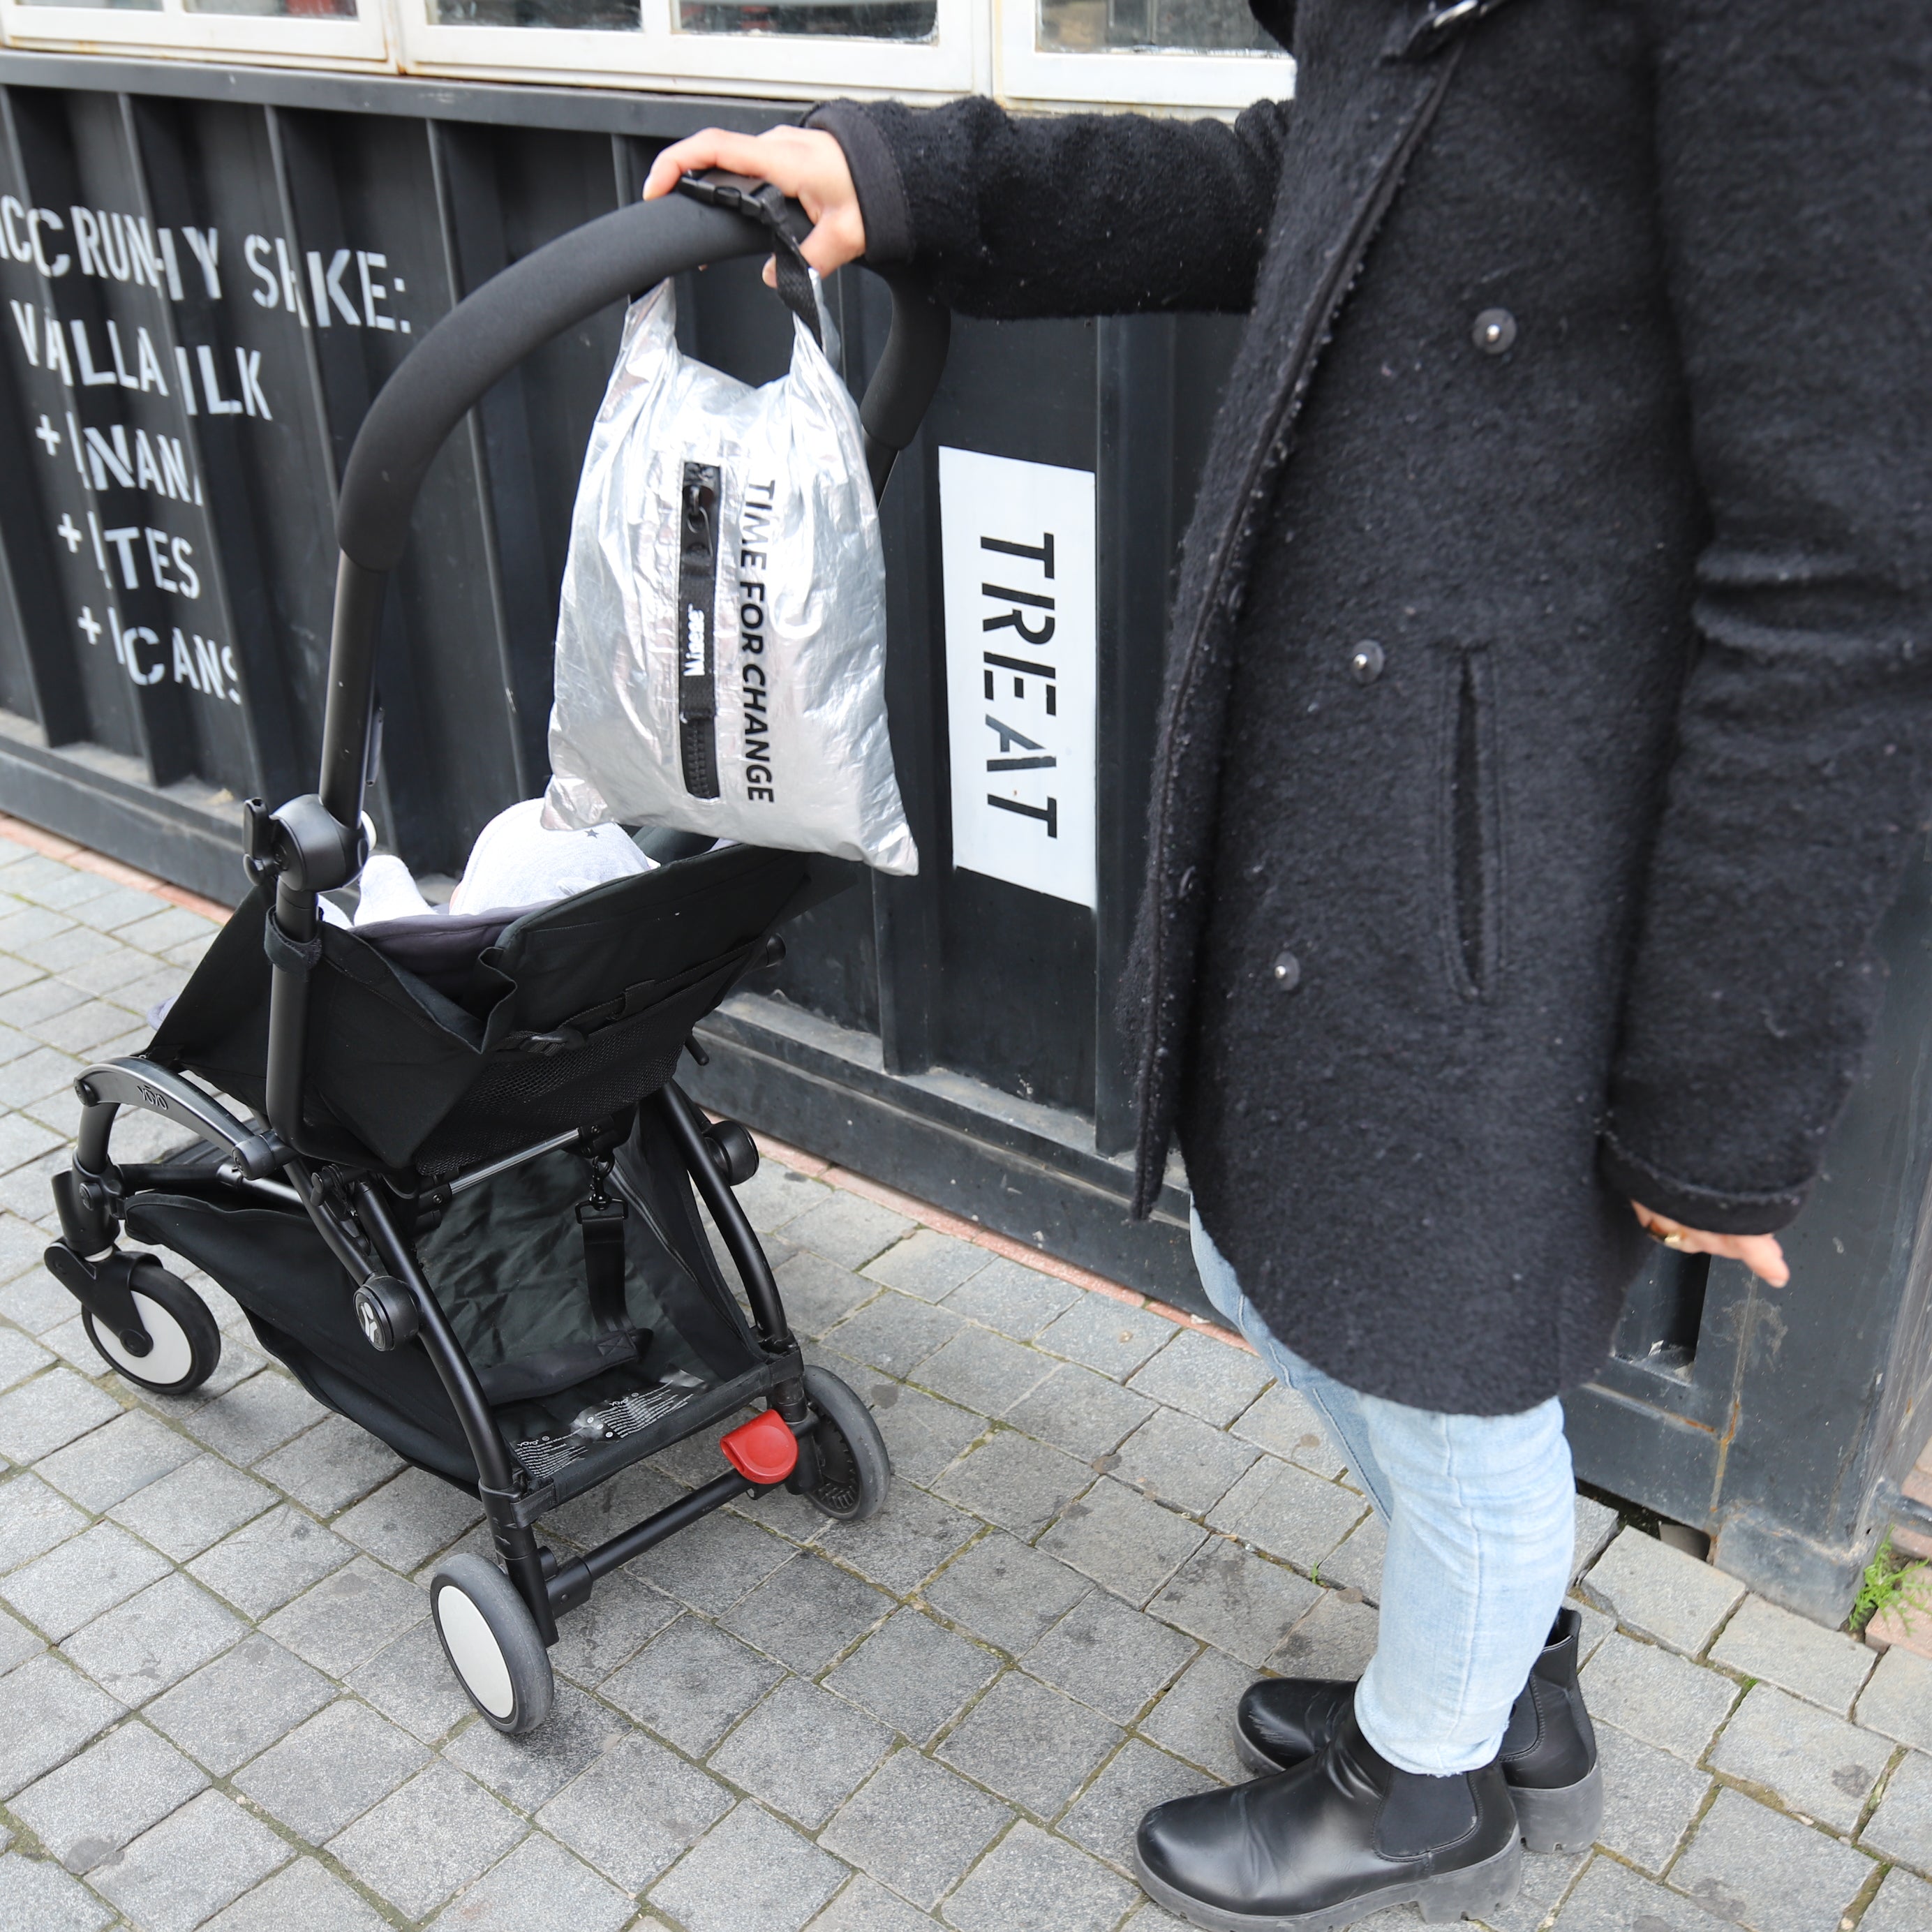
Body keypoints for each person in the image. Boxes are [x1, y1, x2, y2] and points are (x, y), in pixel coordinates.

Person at [644, 1, 1932, 1922]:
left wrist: (1723, 1094)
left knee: (1451, 1375)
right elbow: (1303, 172)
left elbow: (1845, 572)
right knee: (1279, 1263)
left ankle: (1434, 1779)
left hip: (1521, 845)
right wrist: (916, 181)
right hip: (1357, 788)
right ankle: (1502, 1676)